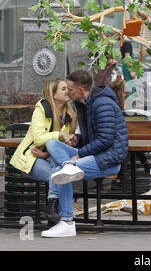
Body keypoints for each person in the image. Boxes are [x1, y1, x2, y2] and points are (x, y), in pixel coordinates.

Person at [40, 70, 129, 238]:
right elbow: (95, 136)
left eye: (70, 89)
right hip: (94, 154)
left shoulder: (102, 103)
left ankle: (66, 222)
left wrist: (79, 154)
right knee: (52, 143)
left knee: (63, 173)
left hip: (109, 158)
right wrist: (78, 140)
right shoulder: (84, 104)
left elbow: (106, 140)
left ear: (80, 90)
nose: (67, 92)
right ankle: (67, 165)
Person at [9, 79, 77, 226]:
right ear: (53, 94)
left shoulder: (70, 115)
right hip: (30, 158)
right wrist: (59, 134)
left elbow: (60, 146)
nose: (68, 91)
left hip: (49, 158)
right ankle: (58, 213)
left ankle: (53, 210)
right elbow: (39, 139)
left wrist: (71, 140)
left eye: (68, 88)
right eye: (63, 89)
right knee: (59, 176)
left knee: (60, 172)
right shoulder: (41, 110)